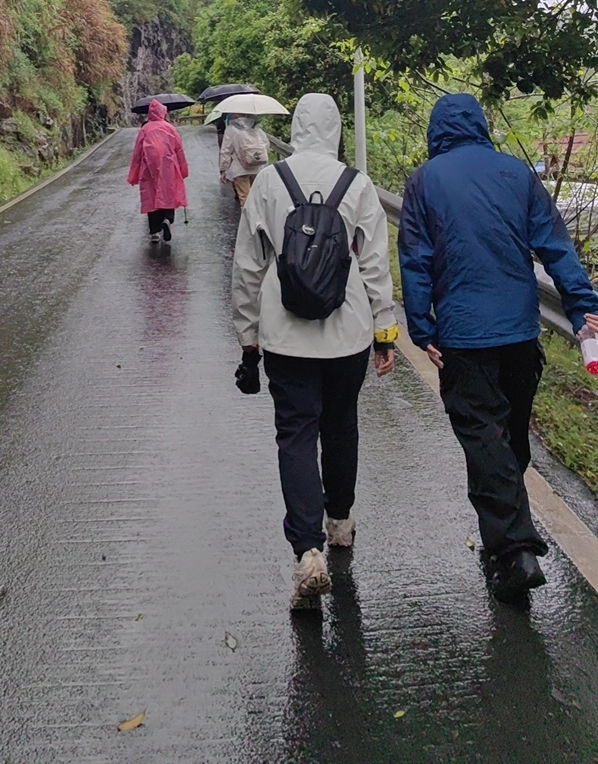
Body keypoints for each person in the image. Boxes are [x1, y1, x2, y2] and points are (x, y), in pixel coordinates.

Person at [399, 93, 598, 604]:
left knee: (484, 437)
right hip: (520, 333)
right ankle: (503, 539)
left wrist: (422, 328)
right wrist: (582, 307)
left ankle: (515, 550)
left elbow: (417, 260)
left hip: (464, 336)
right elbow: (556, 245)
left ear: (437, 131)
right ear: (480, 125)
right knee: (507, 436)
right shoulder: (517, 174)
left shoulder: (426, 180)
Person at [231, 93, 397, 609]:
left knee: (296, 435)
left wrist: (248, 336)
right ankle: (340, 523)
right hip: (348, 336)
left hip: (286, 337)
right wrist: (385, 332)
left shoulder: (269, 182)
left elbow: (248, 266)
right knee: (341, 425)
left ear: (298, 128)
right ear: (337, 130)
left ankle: (307, 553)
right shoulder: (357, 184)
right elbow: (375, 265)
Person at [127, 99, 189, 244]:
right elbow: (179, 150)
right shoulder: (170, 128)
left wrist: (133, 175)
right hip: (169, 168)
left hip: (149, 169)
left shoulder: (145, 129)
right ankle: (167, 219)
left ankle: (155, 231)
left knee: (151, 197)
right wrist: (183, 170)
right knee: (168, 194)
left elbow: (137, 154)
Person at [219, 112, 269, 207]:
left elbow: (226, 151)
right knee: (257, 198)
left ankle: (248, 216)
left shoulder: (231, 129)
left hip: (240, 169)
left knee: (245, 199)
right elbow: (266, 146)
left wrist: (224, 169)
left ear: (236, 114)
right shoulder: (256, 128)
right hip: (258, 167)